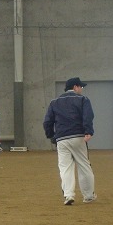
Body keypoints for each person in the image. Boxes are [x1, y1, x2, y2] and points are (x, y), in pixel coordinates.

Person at [43, 77, 97, 205]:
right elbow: (88, 116)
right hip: (78, 137)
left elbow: (47, 122)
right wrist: (88, 131)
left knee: (65, 168)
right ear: (75, 87)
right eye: (81, 87)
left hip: (61, 139)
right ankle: (88, 196)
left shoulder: (54, 102)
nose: (81, 90)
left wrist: (52, 136)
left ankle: (68, 195)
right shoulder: (83, 100)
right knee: (84, 166)